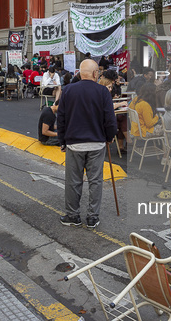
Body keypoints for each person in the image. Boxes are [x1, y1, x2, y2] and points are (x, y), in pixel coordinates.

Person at [57, 59, 117, 228]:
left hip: (74, 144)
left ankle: (73, 215)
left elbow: (61, 118)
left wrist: (62, 140)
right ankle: (92, 217)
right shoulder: (103, 92)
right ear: (95, 73)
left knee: (73, 181)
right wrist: (110, 136)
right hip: (97, 143)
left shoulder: (68, 90)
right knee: (95, 181)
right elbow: (110, 119)